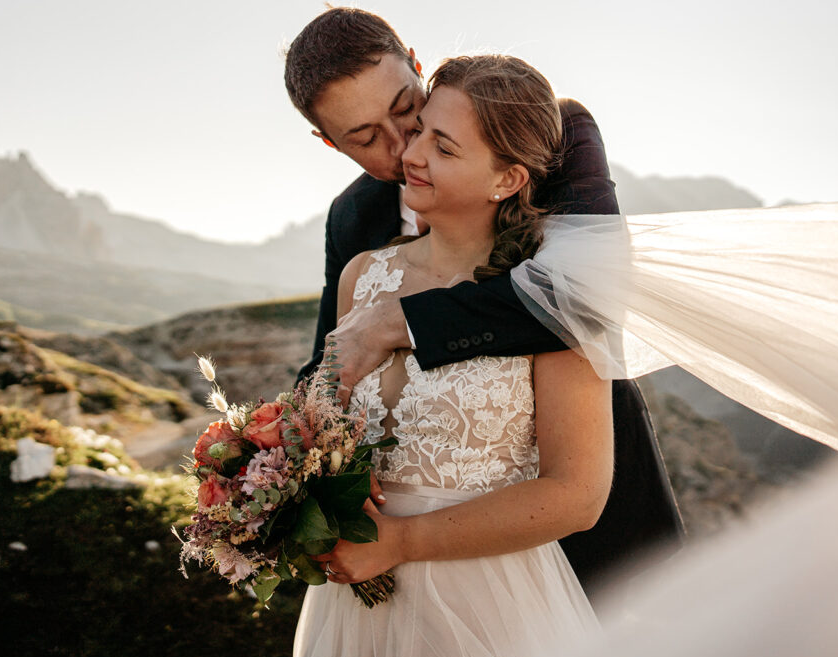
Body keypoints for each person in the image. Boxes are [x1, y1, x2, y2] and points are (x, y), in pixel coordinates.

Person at [284, 6, 683, 604]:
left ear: (417, 67)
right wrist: (279, 450)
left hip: (582, 529)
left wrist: (405, 319)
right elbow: (335, 354)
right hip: (400, 577)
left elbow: (590, 292)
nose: (401, 149)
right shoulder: (353, 219)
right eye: (365, 138)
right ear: (328, 142)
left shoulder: (547, 130)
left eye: (404, 110)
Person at [293, 53, 610, 657]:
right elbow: (322, 393)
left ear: (506, 180)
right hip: (355, 603)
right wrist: (276, 470)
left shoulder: (556, 294)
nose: (407, 152)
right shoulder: (364, 270)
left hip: (490, 604)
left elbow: (578, 491)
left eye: (438, 143)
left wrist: (404, 543)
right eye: (418, 134)